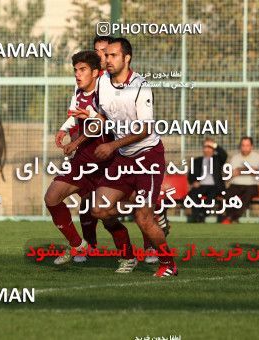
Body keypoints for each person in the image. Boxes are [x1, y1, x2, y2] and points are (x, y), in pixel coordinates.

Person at [88, 37, 178, 277]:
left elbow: (145, 129)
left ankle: (168, 263)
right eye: (106, 55)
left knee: (143, 219)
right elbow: (103, 114)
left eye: (113, 55)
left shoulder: (140, 86)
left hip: (147, 156)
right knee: (97, 209)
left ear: (127, 58)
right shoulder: (102, 83)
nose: (107, 59)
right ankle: (130, 250)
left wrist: (112, 146)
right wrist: (85, 134)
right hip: (124, 157)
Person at [45, 51, 136, 272]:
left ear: (96, 72)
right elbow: (76, 114)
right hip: (84, 161)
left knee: (103, 214)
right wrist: (64, 129)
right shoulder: (78, 91)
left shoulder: (107, 93)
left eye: (83, 69)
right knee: (52, 197)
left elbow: (102, 123)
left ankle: (128, 256)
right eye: (75, 70)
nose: (77, 74)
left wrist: (75, 142)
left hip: (108, 163)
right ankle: (78, 245)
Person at [221, 137, 259, 224]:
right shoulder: (235, 158)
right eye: (243, 145)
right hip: (236, 184)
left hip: (251, 185)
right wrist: (247, 169)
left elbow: (254, 171)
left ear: (251, 146)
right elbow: (231, 173)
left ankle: (231, 218)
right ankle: (231, 217)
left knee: (247, 196)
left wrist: (239, 170)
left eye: (247, 145)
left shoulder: (257, 157)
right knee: (227, 194)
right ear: (240, 146)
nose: (245, 148)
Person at [187, 138, 227, 223]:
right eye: (205, 146)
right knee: (192, 194)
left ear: (213, 149)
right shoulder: (197, 161)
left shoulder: (217, 159)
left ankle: (202, 214)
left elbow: (224, 155)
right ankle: (198, 215)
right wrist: (194, 182)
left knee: (211, 196)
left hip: (215, 186)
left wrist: (214, 145)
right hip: (201, 185)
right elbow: (190, 175)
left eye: (209, 147)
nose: (207, 149)